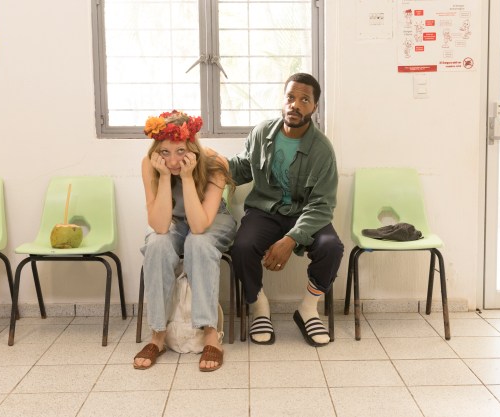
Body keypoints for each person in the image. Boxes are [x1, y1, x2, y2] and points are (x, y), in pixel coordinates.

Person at [228, 73, 344, 347]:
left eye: (304, 100)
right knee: (242, 247)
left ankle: (307, 309)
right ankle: (259, 307)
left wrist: (291, 240)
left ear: (314, 107)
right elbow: (243, 168)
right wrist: (206, 160)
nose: (295, 105)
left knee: (332, 247)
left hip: (305, 213)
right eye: (291, 97)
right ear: (283, 100)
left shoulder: (322, 150)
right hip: (264, 211)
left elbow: (322, 205)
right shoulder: (261, 133)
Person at [134, 110, 236, 372]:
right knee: (157, 244)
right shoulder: (150, 164)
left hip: (213, 221)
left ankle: (211, 334)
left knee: (198, 243)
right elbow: (158, 225)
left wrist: (188, 178)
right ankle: (157, 334)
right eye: (165, 152)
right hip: (174, 221)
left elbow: (201, 225)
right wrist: (166, 178)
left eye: (180, 151)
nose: (172, 160)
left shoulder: (214, 163)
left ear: (191, 148)